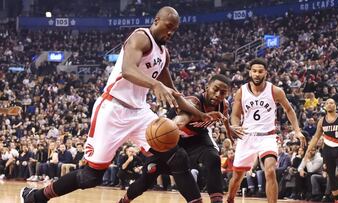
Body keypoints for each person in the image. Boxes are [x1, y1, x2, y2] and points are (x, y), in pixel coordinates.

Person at [21, 6, 221, 203]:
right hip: (113, 108)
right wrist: (155, 84)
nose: (170, 32)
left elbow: (176, 95)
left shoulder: (164, 54)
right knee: (90, 177)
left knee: (177, 157)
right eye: (168, 26)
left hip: (140, 112)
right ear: (156, 21)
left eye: (174, 30)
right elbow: (127, 70)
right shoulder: (141, 37)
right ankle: (36, 197)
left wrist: (201, 115)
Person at [117, 74, 241, 203]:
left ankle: (217, 201)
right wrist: (176, 125)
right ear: (206, 87)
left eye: (223, 92)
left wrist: (229, 129)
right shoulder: (194, 102)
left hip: (196, 139)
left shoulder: (223, 104)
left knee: (213, 157)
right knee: (148, 176)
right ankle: (125, 200)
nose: (218, 94)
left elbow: (223, 116)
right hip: (171, 140)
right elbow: (182, 118)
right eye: (215, 89)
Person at [227, 58, 306, 203]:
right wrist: (235, 125)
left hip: (267, 136)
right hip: (247, 136)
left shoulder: (275, 90)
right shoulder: (241, 91)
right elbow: (235, 114)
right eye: (254, 71)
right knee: (237, 176)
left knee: (270, 171)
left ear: (266, 73)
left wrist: (297, 130)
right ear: (250, 72)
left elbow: (289, 109)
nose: (257, 74)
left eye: (260, 71)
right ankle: (229, 199)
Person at [304, 98, 338, 203]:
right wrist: (308, 150)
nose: (329, 105)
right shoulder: (321, 121)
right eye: (327, 103)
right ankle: (337, 199)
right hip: (327, 150)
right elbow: (316, 137)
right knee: (331, 176)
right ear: (325, 106)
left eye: (332, 103)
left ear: (335, 106)